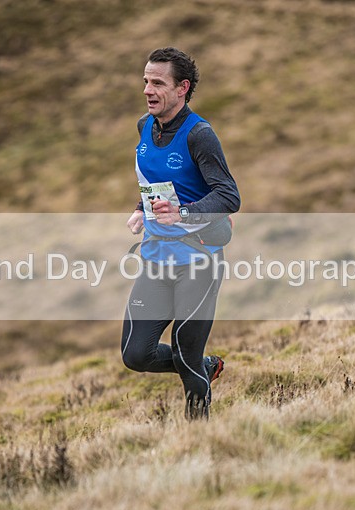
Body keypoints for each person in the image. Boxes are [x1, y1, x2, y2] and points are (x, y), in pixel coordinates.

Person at [121, 47, 240, 420]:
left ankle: (198, 435)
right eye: (146, 81)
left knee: (185, 352)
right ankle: (205, 366)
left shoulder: (199, 134)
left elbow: (229, 196)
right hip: (157, 257)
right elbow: (156, 179)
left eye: (158, 83)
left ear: (182, 88)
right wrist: (141, 209)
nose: (148, 90)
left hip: (198, 259)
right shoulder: (144, 126)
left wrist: (183, 213)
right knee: (135, 354)